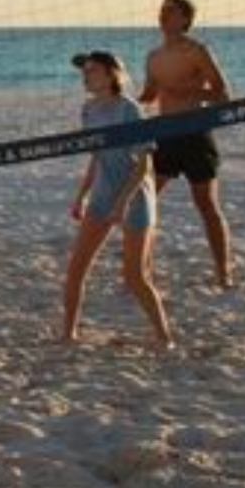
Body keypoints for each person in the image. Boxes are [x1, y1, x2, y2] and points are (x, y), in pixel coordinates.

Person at [64, 51, 171, 348]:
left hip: (135, 197)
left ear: (112, 74)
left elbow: (144, 164)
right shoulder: (88, 110)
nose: (86, 76)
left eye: (92, 71)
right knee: (76, 269)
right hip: (102, 196)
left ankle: (164, 338)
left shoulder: (129, 109)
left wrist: (122, 203)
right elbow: (97, 157)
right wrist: (81, 196)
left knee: (135, 277)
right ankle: (68, 335)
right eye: (84, 71)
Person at [140, 0, 236, 288]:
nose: (163, 15)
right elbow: (149, 95)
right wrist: (114, 90)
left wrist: (191, 91)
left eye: (170, 10)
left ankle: (223, 272)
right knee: (145, 201)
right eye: (162, 10)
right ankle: (143, 269)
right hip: (165, 135)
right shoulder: (153, 57)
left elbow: (223, 94)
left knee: (206, 204)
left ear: (185, 19)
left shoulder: (197, 51)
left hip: (195, 134)